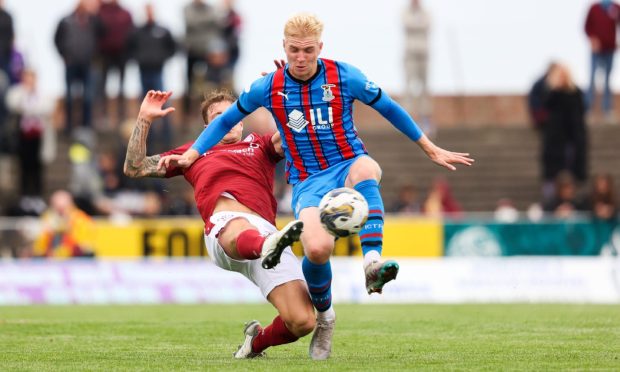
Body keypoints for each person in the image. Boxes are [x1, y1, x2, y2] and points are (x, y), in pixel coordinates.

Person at [159, 13, 474, 360]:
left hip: (346, 162)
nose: (301, 57)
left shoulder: (344, 75)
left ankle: (372, 262)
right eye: (294, 50)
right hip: (307, 180)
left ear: (320, 48)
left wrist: (427, 146)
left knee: (368, 168)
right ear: (285, 47)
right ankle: (325, 319)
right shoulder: (269, 87)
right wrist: (192, 153)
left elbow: (389, 107)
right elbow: (227, 121)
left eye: (308, 50)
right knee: (318, 250)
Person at [124, 90, 315, 359]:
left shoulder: (259, 144)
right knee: (240, 227)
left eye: (233, 115)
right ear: (207, 127)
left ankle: (254, 344)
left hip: (267, 233)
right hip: (226, 229)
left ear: (241, 120)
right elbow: (135, 167)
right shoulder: (192, 153)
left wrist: (290, 98)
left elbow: (298, 133)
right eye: (218, 117)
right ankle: (266, 245)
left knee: (303, 321)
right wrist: (144, 119)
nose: (228, 120)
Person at [541, 63, 588, 200]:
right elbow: (545, 106)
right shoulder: (551, 93)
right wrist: (556, 89)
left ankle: (573, 200)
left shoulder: (576, 93)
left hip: (572, 140)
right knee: (554, 176)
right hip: (555, 142)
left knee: (572, 172)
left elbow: (580, 113)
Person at [54, 0, 102, 133]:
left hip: (87, 64)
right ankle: (68, 126)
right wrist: (64, 55)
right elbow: (57, 40)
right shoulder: (65, 21)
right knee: (69, 96)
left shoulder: (93, 21)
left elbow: (103, 34)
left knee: (88, 96)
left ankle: (86, 126)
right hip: (71, 64)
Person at [96, 0, 134, 125]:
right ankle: (103, 114)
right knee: (102, 85)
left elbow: (131, 34)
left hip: (121, 54)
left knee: (122, 86)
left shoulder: (126, 14)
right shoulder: (101, 11)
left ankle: (121, 114)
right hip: (105, 54)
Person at [33, 190, 95, 258]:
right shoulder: (47, 217)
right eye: (57, 208)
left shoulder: (80, 218)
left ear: (71, 205)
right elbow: (39, 247)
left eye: (63, 208)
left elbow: (86, 245)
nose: (61, 212)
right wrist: (49, 233)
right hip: (50, 257)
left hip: (76, 257)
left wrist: (67, 228)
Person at [584, 0, 620, 118]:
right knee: (592, 78)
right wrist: (592, 39)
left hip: (610, 49)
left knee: (607, 80)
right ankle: (588, 108)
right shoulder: (594, 8)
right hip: (596, 50)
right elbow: (586, 27)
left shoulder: (615, 7)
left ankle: (607, 109)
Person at [402, 0, 432, 134]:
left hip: (424, 52)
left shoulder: (426, 12)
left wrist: (418, 24)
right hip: (410, 52)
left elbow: (427, 25)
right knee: (409, 85)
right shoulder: (405, 12)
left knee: (424, 86)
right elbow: (408, 25)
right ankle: (405, 119)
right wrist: (418, 24)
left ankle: (425, 118)